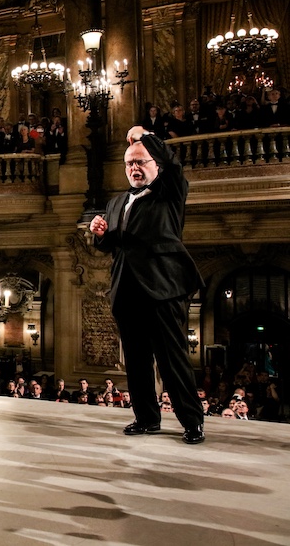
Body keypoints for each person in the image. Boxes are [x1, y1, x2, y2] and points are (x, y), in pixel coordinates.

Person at [89, 125, 206, 444]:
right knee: (137, 361)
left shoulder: (171, 192)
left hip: (163, 289)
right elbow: (117, 244)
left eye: (141, 161)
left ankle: (192, 422)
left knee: (173, 359)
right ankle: (146, 419)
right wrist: (100, 234)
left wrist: (143, 135)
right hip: (126, 290)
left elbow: (175, 163)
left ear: (156, 164)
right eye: (129, 163)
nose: (134, 168)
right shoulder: (116, 202)